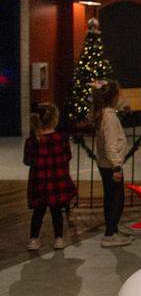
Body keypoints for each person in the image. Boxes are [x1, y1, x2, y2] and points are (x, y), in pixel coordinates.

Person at [23, 103, 76, 251]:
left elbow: (27, 161)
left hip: (39, 182)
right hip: (57, 181)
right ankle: (58, 238)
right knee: (56, 211)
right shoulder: (61, 138)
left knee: (38, 212)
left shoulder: (32, 141)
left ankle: (34, 239)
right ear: (54, 119)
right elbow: (68, 157)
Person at [92, 80, 132, 247]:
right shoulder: (108, 117)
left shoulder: (103, 113)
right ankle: (110, 233)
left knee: (111, 197)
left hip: (105, 164)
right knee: (116, 199)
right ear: (113, 97)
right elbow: (110, 143)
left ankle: (113, 229)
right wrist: (116, 165)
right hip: (111, 166)